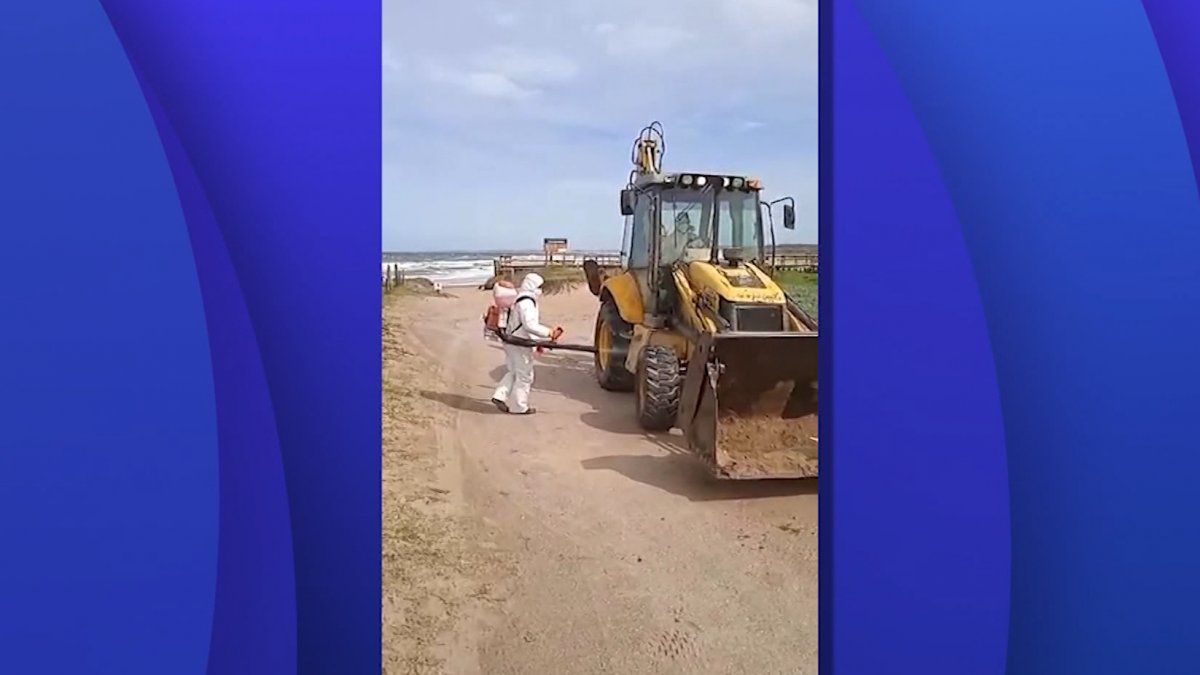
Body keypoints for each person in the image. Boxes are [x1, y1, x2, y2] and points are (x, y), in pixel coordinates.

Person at [491, 273, 562, 415]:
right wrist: (549, 333)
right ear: (533, 287)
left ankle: (499, 395)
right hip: (519, 343)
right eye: (539, 287)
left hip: (510, 340)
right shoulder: (527, 302)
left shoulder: (518, 298)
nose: (540, 290)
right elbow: (530, 325)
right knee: (525, 376)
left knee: (514, 372)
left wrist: (538, 341)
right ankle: (519, 407)